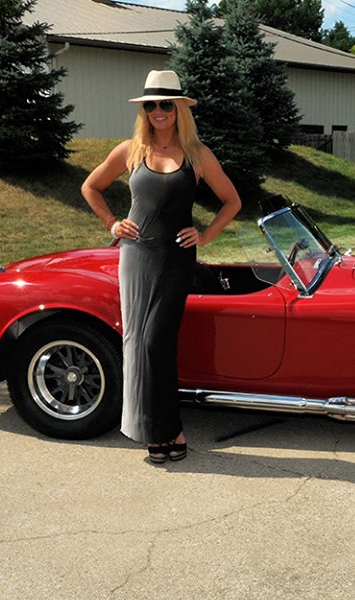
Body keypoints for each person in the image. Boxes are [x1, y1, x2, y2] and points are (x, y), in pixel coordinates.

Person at [81, 70, 241, 465]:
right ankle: (158, 432)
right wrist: (112, 223)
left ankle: (168, 430)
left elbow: (232, 201)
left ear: (179, 109)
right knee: (139, 343)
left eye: (165, 103)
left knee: (156, 342)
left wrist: (205, 235)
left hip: (176, 258)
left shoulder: (197, 154)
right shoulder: (131, 150)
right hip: (136, 257)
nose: (158, 110)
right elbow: (90, 187)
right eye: (151, 104)